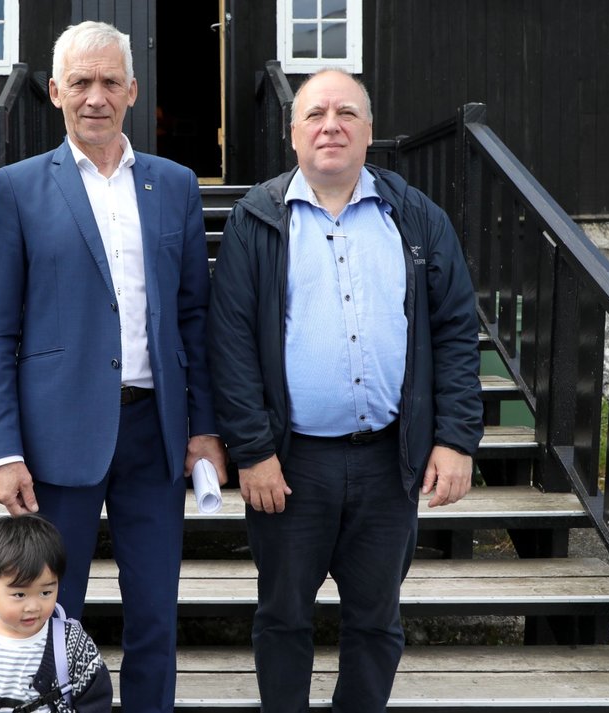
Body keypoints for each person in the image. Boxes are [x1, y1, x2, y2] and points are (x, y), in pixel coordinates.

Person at [206, 68, 483, 712]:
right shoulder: (255, 219)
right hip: (290, 462)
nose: (331, 125)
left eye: (346, 114)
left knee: (376, 621)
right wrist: (251, 450)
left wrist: (455, 438)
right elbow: (232, 343)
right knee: (282, 618)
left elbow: (454, 330)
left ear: (369, 131)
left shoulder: (415, 216)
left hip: (390, 460)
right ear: (293, 133)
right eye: (315, 115)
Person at [0, 20, 226, 713]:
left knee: (155, 618)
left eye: (110, 81)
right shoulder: (19, 187)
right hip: (56, 439)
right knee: (50, 618)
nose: (95, 96)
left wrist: (203, 427)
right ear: (54, 91)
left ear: (132, 91)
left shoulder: (173, 185)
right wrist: (2, 449)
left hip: (155, 434)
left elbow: (193, 318)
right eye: (80, 82)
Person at [0, 514, 113, 712]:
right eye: (19, 594)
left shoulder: (73, 644)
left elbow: (96, 701)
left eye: (46, 592)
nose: (33, 606)